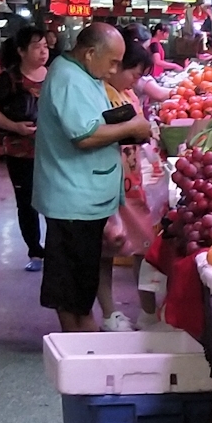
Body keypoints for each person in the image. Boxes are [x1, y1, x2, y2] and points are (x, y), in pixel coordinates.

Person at [32, 23, 153, 332]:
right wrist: (131, 128)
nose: (115, 69)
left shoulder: (86, 74)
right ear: (89, 53)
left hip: (85, 196)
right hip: (72, 199)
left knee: (80, 277)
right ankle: (78, 339)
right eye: (112, 61)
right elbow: (84, 136)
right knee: (72, 281)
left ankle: (81, 333)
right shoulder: (69, 79)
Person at [96, 40, 161, 331]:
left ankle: (148, 312)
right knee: (106, 250)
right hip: (108, 182)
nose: (137, 80)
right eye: (133, 73)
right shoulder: (98, 94)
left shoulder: (126, 93)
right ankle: (110, 314)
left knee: (144, 247)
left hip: (133, 183)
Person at [0, 25, 50, 268]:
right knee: (27, 202)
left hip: (53, 153)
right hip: (21, 152)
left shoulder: (54, 75)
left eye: (45, 46)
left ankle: (55, 250)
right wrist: (15, 126)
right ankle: (35, 251)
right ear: (21, 51)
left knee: (55, 201)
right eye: (36, 47)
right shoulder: (10, 79)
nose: (43, 52)